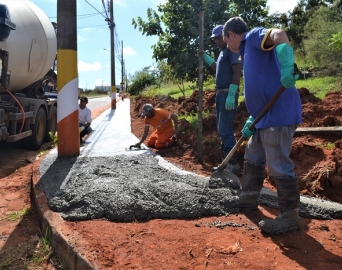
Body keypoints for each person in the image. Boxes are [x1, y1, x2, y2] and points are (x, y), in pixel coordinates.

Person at [222, 17, 302, 235]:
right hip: (262, 117)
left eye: (226, 41)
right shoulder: (246, 51)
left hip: (279, 114)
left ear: (231, 35)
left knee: (277, 164)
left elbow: (280, 34)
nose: (228, 46)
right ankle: (247, 198)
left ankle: (290, 216)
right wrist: (252, 117)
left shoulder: (253, 37)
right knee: (252, 156)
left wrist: (287, 65)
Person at [203, 25, 242, 175]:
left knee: (225, 129)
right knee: (222, 129)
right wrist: (206, 57)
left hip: (227, 93)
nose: (217, 41)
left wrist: (232, 93)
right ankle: (226, 163)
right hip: (220, 94)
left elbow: (237, 70)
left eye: (219, 37)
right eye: (215, 39)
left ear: (226, 36)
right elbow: (217, 68)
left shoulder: (232, 50)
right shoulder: (222, 53)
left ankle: (233, 164)